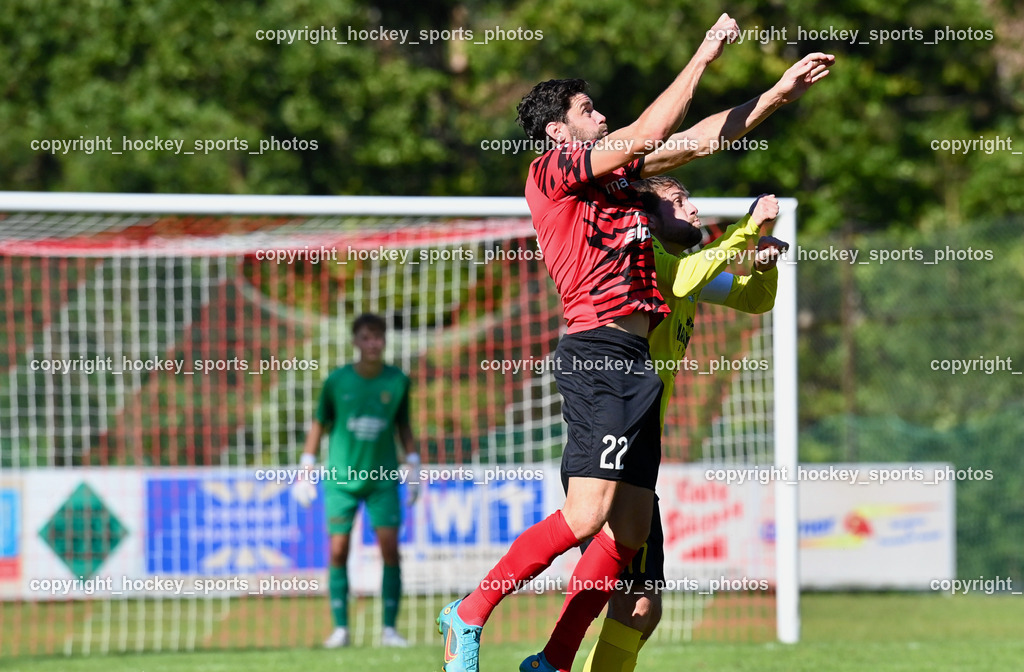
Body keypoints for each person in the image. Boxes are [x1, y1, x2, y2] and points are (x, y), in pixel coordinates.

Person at [438, 12, 831, 671]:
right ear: (558, 129)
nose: (600, 115)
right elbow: (651, 131)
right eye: (587, 108)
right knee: (586, 516)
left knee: (631, 534)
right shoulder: (550, 171)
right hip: (597, 353)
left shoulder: (618, 181)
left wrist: (778, 95)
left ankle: (553, 660)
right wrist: (704, 53)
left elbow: (701, 138)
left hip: (637, 366)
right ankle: (470, 611)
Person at [581, 179, 788, 672]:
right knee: (628, 596)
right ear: (648, 218)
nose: (694, 209)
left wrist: (762, 266)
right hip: (613, 431)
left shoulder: (686, 271)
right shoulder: (646, 256)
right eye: (679, 202)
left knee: (642, 605)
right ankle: (484, 612)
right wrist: (743, 231)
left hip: (640, 439)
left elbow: (754, 301)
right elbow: (678, 281)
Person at [295, 313, 419, 648]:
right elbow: (320, 423)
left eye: (378, 337)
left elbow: (403, 425)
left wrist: (414, 465)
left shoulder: (398, 380)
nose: (372, 343)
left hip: (382, 480)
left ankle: (390, 629)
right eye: (366, 337)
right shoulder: (337, 381)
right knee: (337, 550)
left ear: (385, 340)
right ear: (355, 341)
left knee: (390, 550)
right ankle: (340, 629)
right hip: (340, 480)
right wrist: (306, 467)